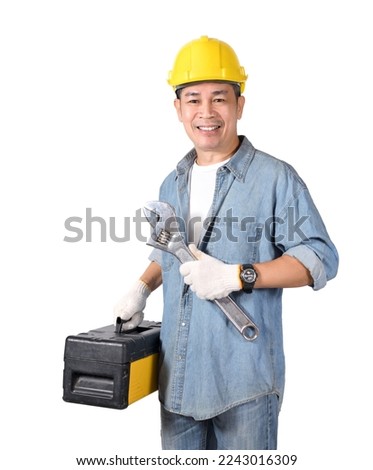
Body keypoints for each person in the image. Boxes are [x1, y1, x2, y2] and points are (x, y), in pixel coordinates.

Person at [114, 36, 339, 450]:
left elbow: (319, 258)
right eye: (194, 99)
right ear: (178, 109)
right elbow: (169, 247)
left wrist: (238, 275)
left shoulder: (276, 178)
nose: (207, 112)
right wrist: (142, 287)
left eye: (219, 98)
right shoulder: (173, 181)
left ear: (240, 105)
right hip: (177, 382)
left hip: (245, 386)